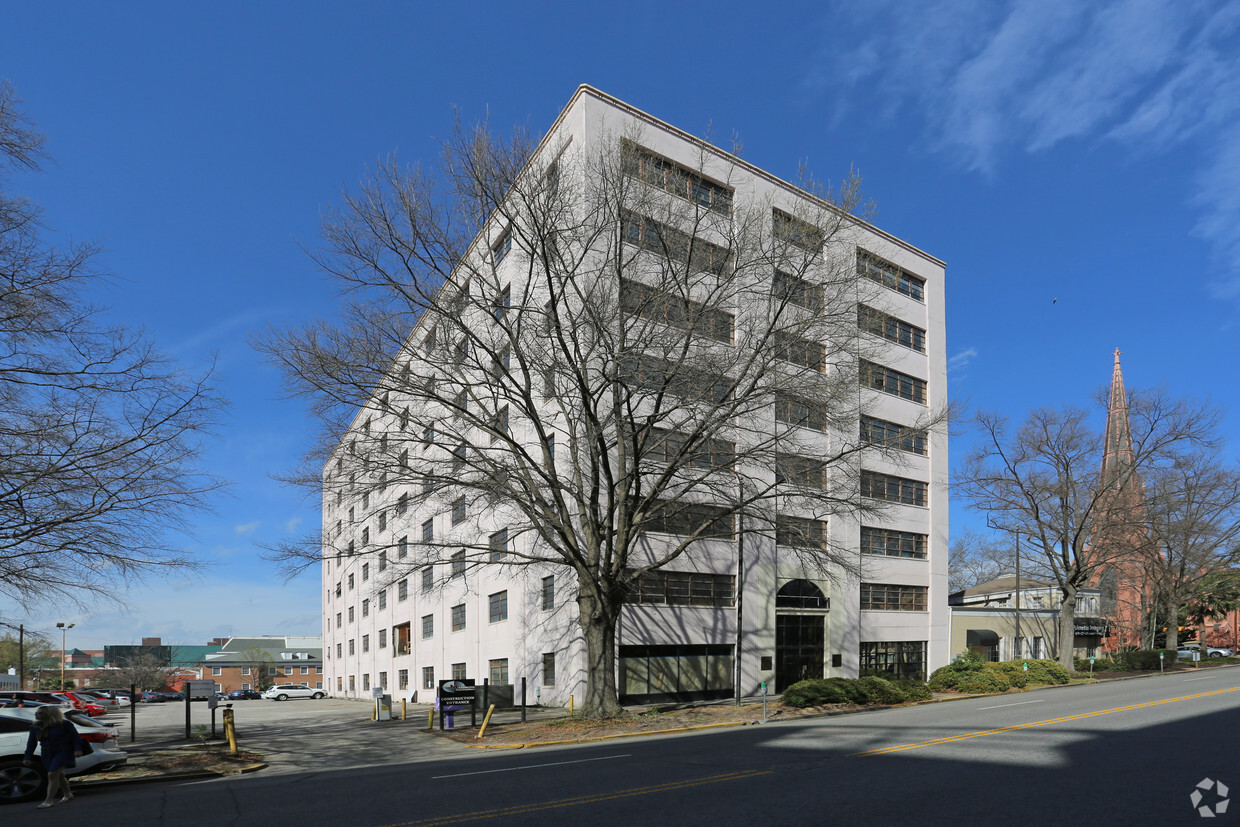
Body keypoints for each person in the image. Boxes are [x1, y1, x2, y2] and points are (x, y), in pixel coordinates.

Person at [22, 705, 84, 809]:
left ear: (50, 714)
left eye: (40, 713)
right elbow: (31, 743)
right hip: (46, 752)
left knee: (52, 774)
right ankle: (68, 794)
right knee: (58, 774)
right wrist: (27, 757)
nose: (36, 715)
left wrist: (77, 749)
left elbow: (75, 738)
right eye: (36, 713)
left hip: (63, 751)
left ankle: (48, 800)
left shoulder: (64, 724)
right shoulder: (35, 727)